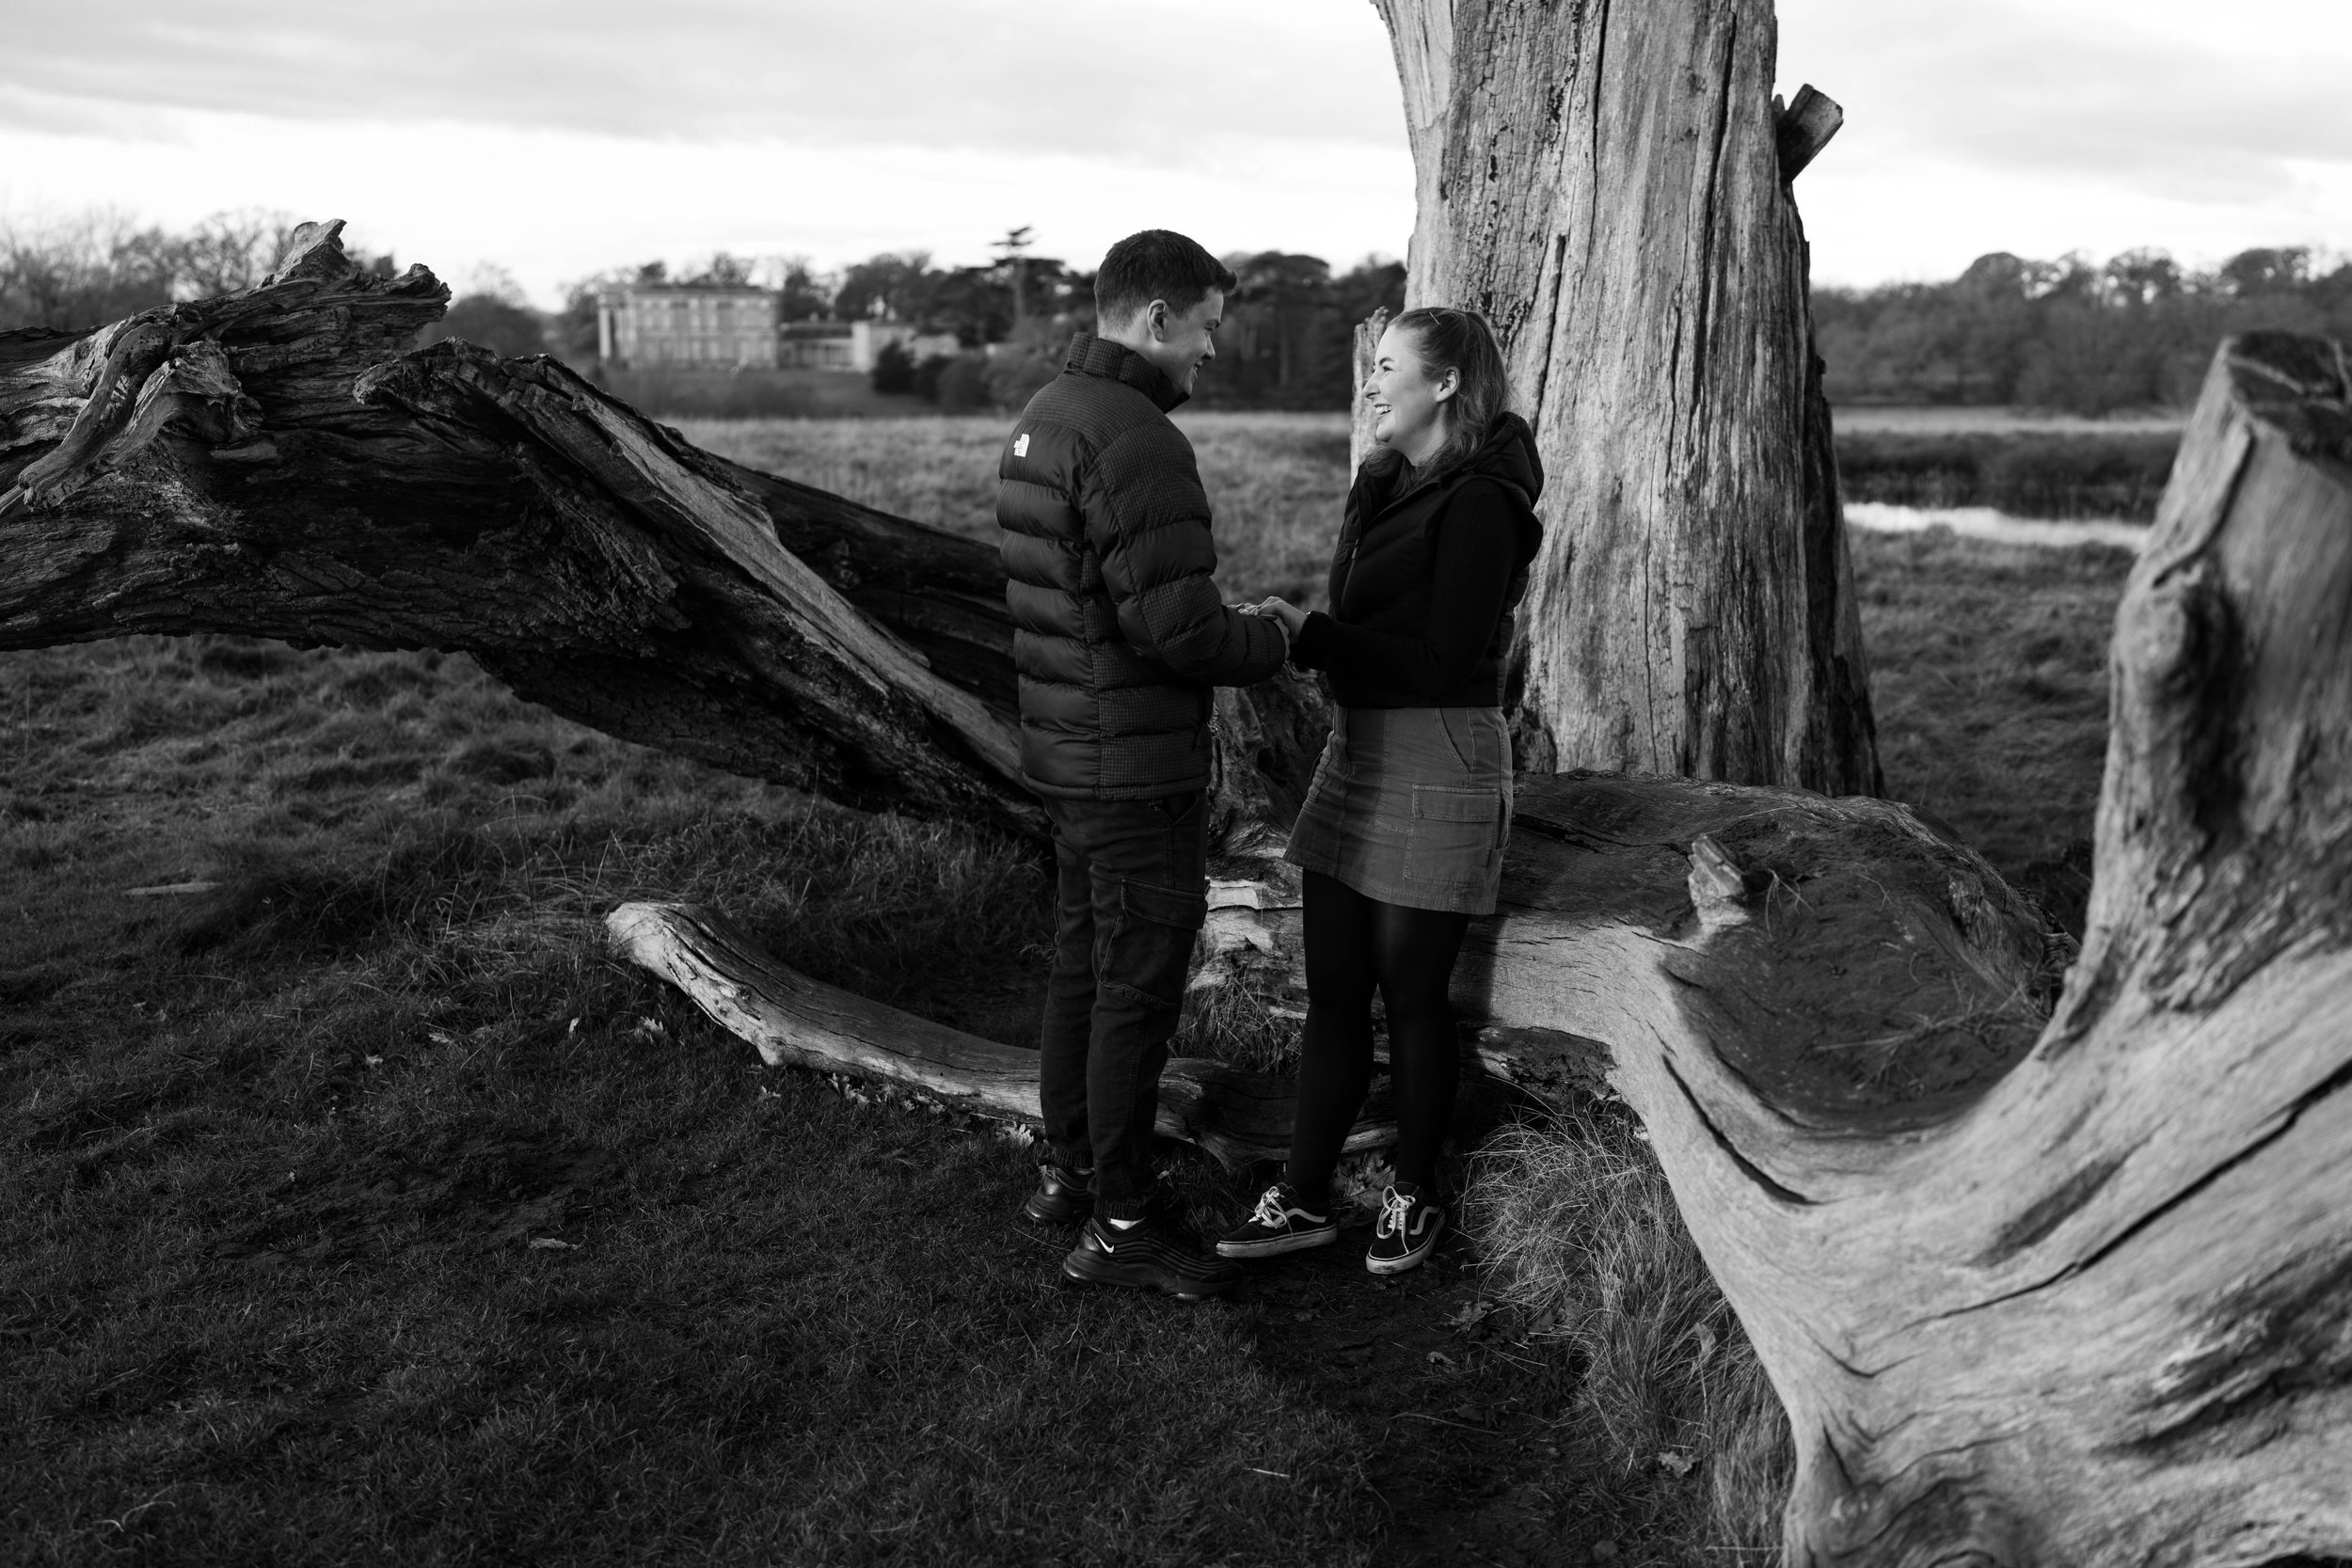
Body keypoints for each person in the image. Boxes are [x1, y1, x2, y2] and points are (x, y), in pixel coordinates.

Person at [1216, 307, 1543, 1275]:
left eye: (1388, 366)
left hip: (1439, 749)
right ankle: (1304, 1195)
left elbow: (1444, 658)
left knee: (1411, 994)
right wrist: (1306, 638)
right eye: (1370, 365)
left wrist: (1312, 635)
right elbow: (1366, 628)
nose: (1369, 382)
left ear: (1444, 385)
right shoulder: (1377, 479)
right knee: (1333, 991)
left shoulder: (1483, 498)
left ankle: (1413, 1192)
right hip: (1354, 749)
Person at [996, 230, 1292, 1301]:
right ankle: (1121, 1221)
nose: (1211, 352)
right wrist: (1275, 637)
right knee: (1133, 990)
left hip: (1069, 755)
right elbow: (1180, 633)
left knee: (1082, 966)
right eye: (1207, 327)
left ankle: (1068, 1168)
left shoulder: (1046, 416)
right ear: (1157, 319)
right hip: (1130, 765)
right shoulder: (1134, 438)